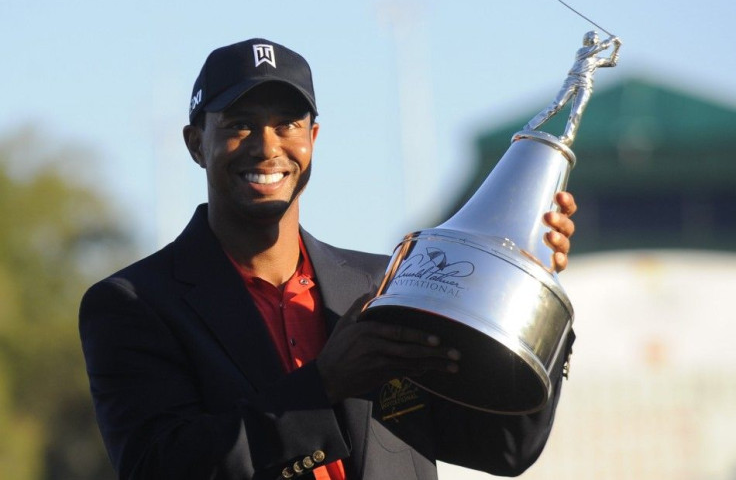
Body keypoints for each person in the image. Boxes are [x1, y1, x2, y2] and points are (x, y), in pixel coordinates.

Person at [80, 38, 578, 480]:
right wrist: (322, 386)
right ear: (196, 144)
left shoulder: (391, 281)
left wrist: (532, 292)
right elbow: (158, 466)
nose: (267, 146)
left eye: (287, 124)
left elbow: (505, 448)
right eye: (239, 125)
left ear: (313, 139)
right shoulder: (135, 305)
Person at [524, 30, 622, 145]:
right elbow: (599, 48)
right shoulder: (582, 52)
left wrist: (617, 48)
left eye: (596, 37)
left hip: (586, 84)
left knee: (577, 111)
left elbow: (612, 62)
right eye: (593, 37)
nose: (595, 39)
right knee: (556, 105)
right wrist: (611, 40)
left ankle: (568, 137)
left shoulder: (596, 60)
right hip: (572, 80)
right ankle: (529, 127)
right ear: (587, 40)